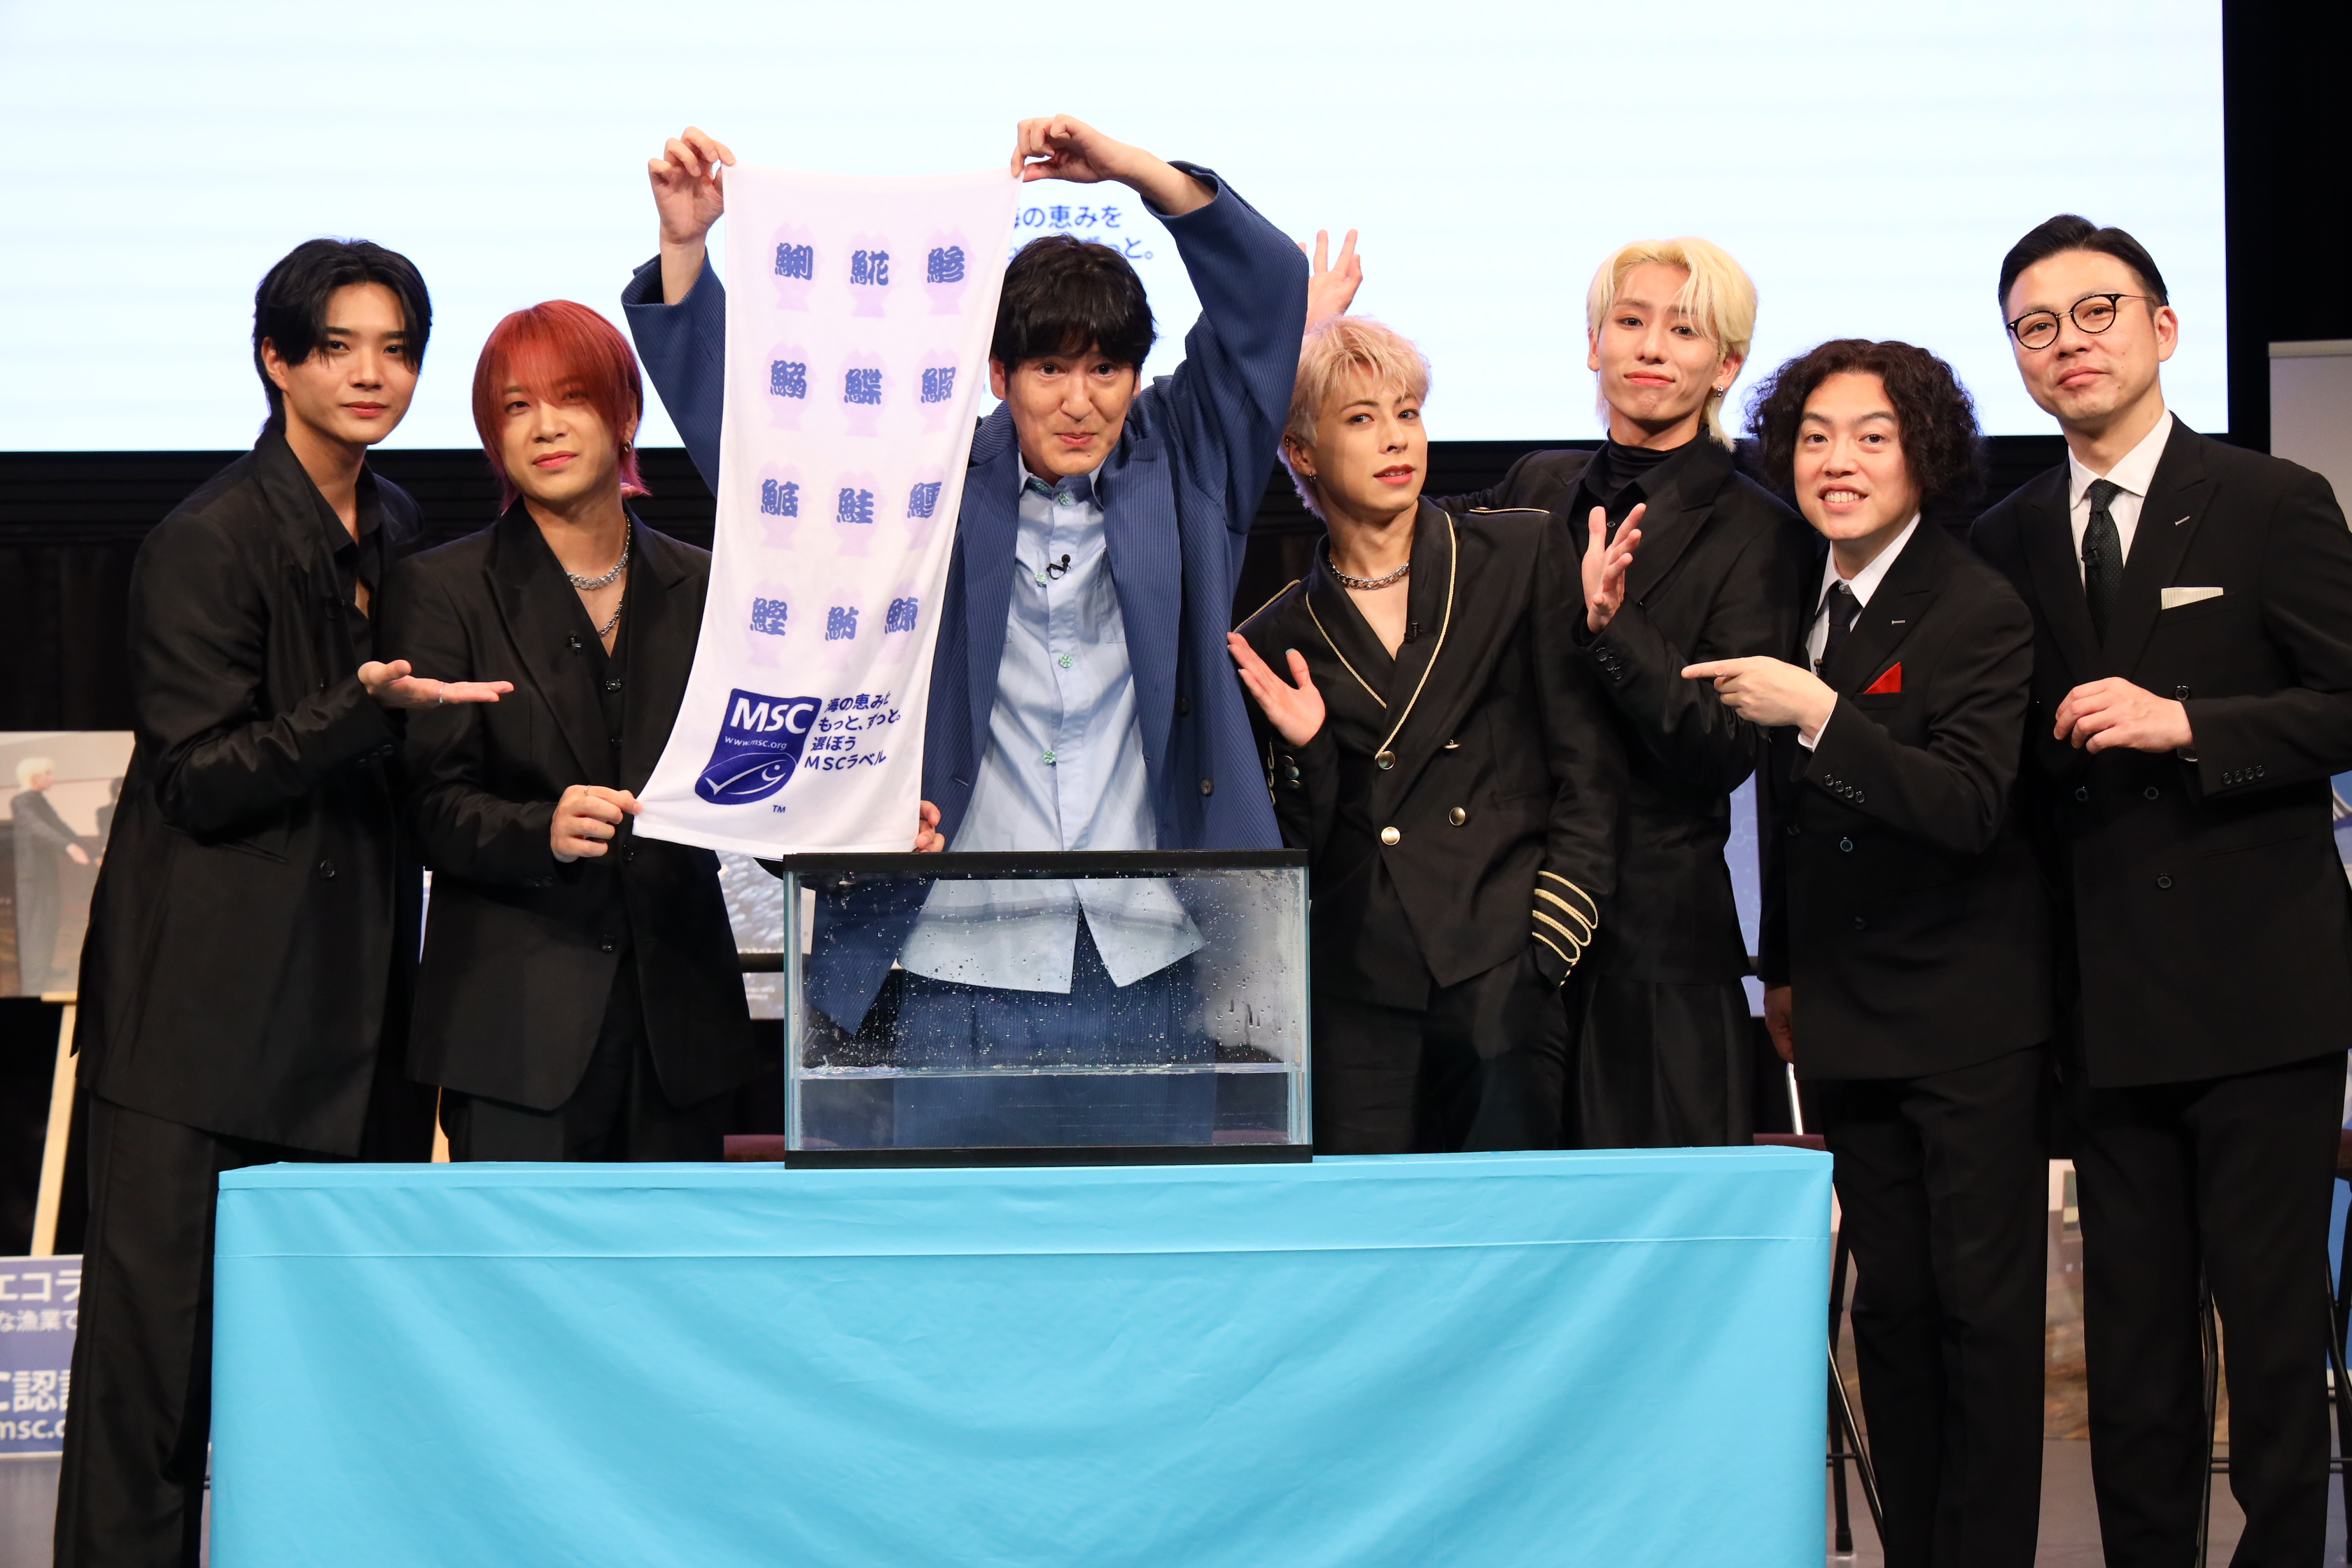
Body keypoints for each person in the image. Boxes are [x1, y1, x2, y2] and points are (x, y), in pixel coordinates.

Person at [624, 118, 1307, 1142]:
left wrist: (1131, 171)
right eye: (1049, 369)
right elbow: (769, 447)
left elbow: (1270, 293)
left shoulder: (1186, 465)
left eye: (1107, 370)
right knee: (951, 1247)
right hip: (954, 964)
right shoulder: (928, 474)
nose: (1080, 402)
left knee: (1148, 1242)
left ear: (1137, 376)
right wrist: (687, 252)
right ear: (996, 372)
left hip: (1153, 959)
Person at [57, 239, 504, 1568]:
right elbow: (195, 778)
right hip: (198, 1028)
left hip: (351, 1024)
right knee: (151, 1391)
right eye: (339, 347)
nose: (373, 375)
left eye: (398, 350)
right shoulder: (205, 540)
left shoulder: (403, 528)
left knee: (327, 1373)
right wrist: (355, 710)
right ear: (276, 359)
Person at [1971, 215, 2352, 1567]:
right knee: (2132, 1352)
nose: (2068, 343)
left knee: (2271, 1333)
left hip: (2262, 996)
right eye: (2036, 327)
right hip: (2099, 1003)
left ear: (2164, 327)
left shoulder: (2270, 499)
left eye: (2098, 312)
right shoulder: (2004, 536)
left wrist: (2190, 722)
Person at [1693, 340, 2051, 1567]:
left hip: (1968, 1020)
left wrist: (1821, 713)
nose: (1837, 462)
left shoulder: (1977, 604)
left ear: (1926, 456)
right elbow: (1787, 825)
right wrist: (1783, 968)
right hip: (1845, 1017)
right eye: (1814, 437)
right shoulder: (1799, 591)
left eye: (1872, 437)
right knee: (1890, 1312)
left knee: (1981, 1319)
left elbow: (1968, 806)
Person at [1436, 238, 1811, 1148]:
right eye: (1631, 321)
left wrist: (1613, 628)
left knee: (1664, 1216)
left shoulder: (1760, 528)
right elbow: (1408, 544)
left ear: (1726, 365)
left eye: (1684, 331)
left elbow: (1722, 749)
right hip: (1507, 931)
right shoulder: (1538, 482)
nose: (1651, 347)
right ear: (1592, 343)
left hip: (1658, 945)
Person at [1228, 317, 1618, 1152]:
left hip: (1501, 962)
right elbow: (1297, 851)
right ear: (1301, 451)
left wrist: (1549, 941)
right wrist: (1308, 750)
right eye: (1362, 418)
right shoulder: (1277, 632)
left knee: (1507, 1218)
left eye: (1407, 412)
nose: (1396, 437)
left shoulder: (1516, 552)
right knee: (1371, 1225)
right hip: (1358, 988)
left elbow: (1586, 762)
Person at [382, 301, 761, 1159]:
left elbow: (759, 775)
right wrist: (539, 830)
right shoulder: (442, 590)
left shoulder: (712, 588)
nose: (544, 426)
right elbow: (428, 805)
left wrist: (854, 818)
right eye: (516, 406)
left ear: (626, 415)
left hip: (680, 1030)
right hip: (513, 1032)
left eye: (572, 397)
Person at [10, 757, 88, 994]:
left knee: (50, 923)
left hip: (46, 873)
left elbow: (61, 827)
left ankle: (44, 969)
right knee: (35, 928)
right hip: (31, 877)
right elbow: (38, 827)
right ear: (35, 777)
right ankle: (33, 985)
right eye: (48, 773)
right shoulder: (21, 801)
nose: (52, 777)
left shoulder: (40, 800)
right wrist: (69, 847)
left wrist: (93, 853)